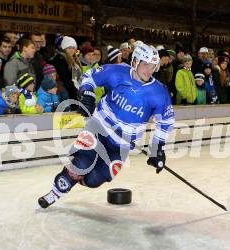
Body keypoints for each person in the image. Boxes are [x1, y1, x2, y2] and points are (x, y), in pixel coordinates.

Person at [38, 43, 175, 208]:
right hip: (99, 126)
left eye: (153, 66)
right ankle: (55, 192)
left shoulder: (159, 93)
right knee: (81, 164)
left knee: (94, 180)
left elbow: (165, 122)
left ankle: (74, 178)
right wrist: (87, 93)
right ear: (135, 62)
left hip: (122, 144)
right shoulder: (117, 71)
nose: (149, 70)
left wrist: (158, 148)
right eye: (145, 64)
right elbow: (89, 76)